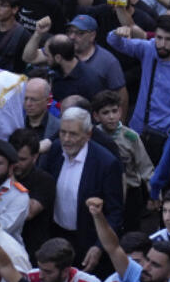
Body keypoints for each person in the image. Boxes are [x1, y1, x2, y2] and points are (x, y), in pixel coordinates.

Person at [38, 108, 125, 270]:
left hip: (87, 242)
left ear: (88, 135)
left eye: (73, 134)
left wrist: (99, 246)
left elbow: (115, 213)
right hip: (55, 236)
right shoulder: (55, 151)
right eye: (63, 132)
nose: (66, 139)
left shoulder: (106, 163)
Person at [107, 14, 170, 158]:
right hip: (139, 130)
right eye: (159, 38)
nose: (162, 44)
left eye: (168, 39)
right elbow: (114, 42)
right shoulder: (149, 48)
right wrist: (118, 32)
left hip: (169, 136)